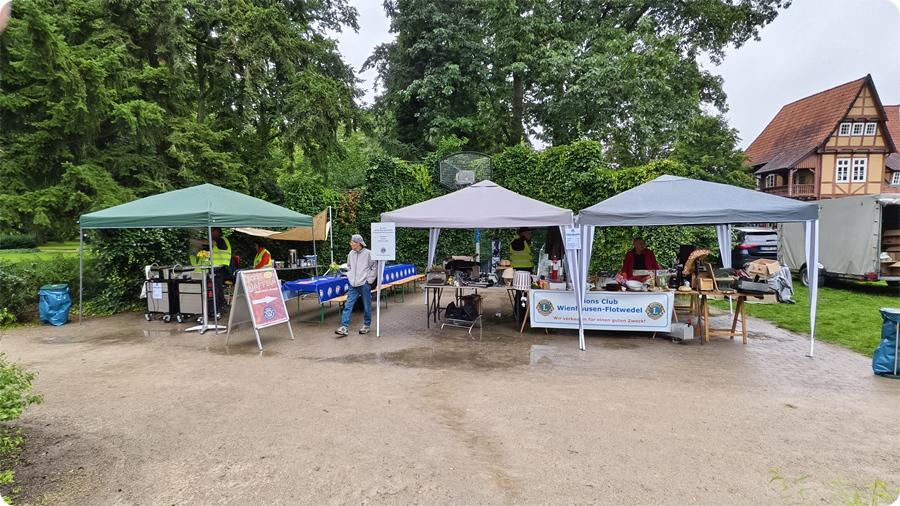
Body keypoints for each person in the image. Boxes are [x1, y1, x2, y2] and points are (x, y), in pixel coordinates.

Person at [335, 234, 376, 337]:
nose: (351, 244)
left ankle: (366, 325)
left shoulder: (368, 254)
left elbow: (374, 267)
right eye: (351, 242)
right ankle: (344, 327)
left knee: (367, 305)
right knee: (348, 305)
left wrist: (369, 281)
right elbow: (349, 266)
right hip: (353, 284)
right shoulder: (351, 253)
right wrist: (349, 275)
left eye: (352, 242)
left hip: (364, 284)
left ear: (359, 243)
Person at [199, 227, 232, 317]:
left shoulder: (221, 240)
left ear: (217, 231)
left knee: (215, 290)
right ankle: (221, 306)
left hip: (220, 269)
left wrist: (196, 241)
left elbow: (209, 242)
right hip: (218, 269)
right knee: (217, 289)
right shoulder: (218, 242)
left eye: (212, 231)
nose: (210, 234)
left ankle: (216, 309)